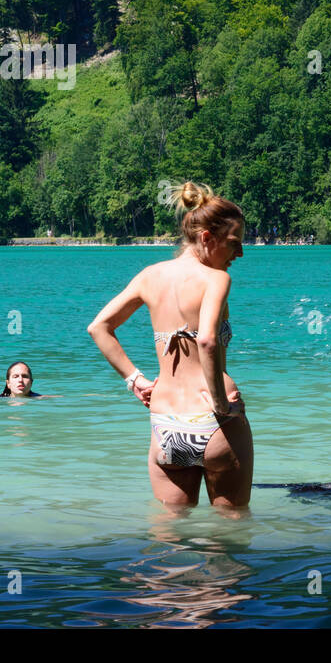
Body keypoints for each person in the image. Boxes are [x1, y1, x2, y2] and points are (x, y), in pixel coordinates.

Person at [88, 181, 251, 511]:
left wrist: (135, 381)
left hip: (165, 427)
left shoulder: (150, 275)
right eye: (234, 242)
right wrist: (222, 405)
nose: (241, 253)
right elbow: (206, 339)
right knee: (230, 536)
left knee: (168, 542)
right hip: (215, 424)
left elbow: (99, 327)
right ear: (207, 238)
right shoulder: (216, 279)